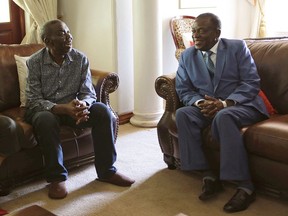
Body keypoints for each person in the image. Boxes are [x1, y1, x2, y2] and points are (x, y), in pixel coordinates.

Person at [25, 19, 135, 199]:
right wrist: (62, 108)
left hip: (73, 108)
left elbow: (88, 92)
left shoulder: (80, 58)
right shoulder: (34, 62)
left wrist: (83, 104)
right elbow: (34, 100)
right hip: (45, 110)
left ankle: (107, 171)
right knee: (46, 119)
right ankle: (56, 178)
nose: (69, 36)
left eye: (68, 31)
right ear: (48, 41)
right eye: (62, 33)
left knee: (102, 111)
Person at [175, 13, 268, 213]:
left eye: (202, 30)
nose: (196, 35)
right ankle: (209, 175)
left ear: (217, 33)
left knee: (224, 116)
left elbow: (251, 82)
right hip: (208, 106)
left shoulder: (236, 48)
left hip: (241, 104)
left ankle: (245, 186)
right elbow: (183, 89)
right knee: (183, 114)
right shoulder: (187, 56)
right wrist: (200, 103)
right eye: (193, 31)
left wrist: (225, 104)